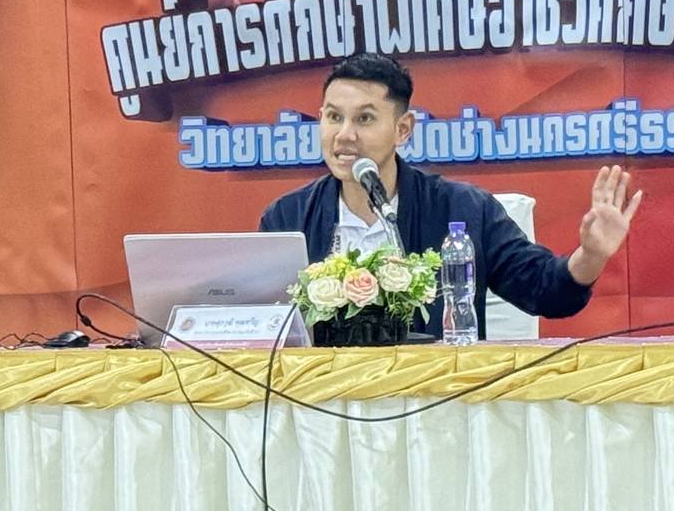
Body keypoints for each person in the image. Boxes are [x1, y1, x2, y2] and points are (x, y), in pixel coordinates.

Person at [260, 52, 641, 337]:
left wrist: (590, 256)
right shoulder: (287, 218)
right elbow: (265, 326)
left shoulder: (463, 209)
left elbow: (545, 291)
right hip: (322, 403)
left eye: (364, 118)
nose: (344, 135)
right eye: (333, 117)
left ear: (403, 129)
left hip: (435, 401)